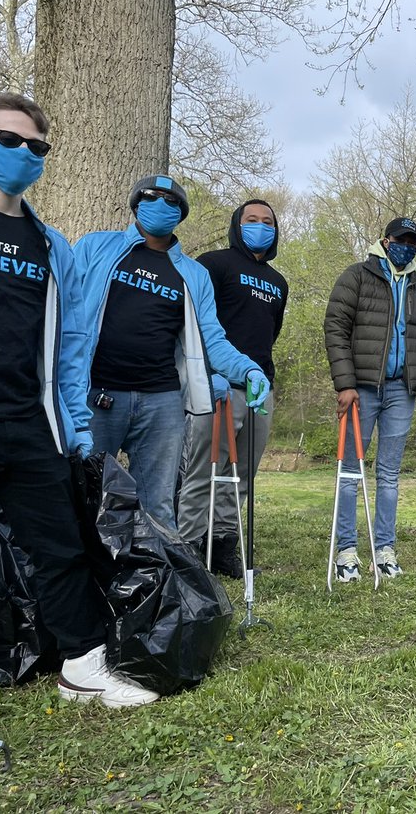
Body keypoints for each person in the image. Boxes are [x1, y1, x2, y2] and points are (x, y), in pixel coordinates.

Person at [0, 92, 157, 708]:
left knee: (61, 547)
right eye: (11, 141)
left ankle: (82, 663)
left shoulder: (52, 246)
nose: (24, 154)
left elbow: (71, 349)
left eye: (37, 147)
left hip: (31, 424)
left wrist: (73, 428)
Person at [74, 175, 270, 530]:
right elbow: (66, 313)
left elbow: (213, 339)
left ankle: (156, 584)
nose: (161, 205)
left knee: (158, 508)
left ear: (181, 214)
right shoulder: (95, 248)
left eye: (172, 201)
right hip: (96, 395)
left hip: (162, 403)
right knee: (83, 494)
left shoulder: (193, 274)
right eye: (152, 197)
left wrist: (249, 370)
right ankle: (84, 582)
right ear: (136, 203)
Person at [178, 199, 289, 577]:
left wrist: (263, 378)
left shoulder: (278, 282)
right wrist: (207, 374)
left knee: (242, 477)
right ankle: (187, 549)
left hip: (259, 390)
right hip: (216, 386)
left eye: (268, 222)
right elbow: (195, 324)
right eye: (252, 220)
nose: (260, 226)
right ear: (236, 225)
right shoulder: (214, 264)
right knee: (202, 472)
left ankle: (222, 544)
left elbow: (270, 333)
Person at [324, 217, 416, 582]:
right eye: (401, 240)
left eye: (412, 241)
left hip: (401, 392)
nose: (407, 246)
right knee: (350, 472)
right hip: (361, 389)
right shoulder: (357, 276)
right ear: (386, 242)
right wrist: (345, 384)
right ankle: (346, 551)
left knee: (389, 474)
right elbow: (335, 328)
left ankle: (384, 549)